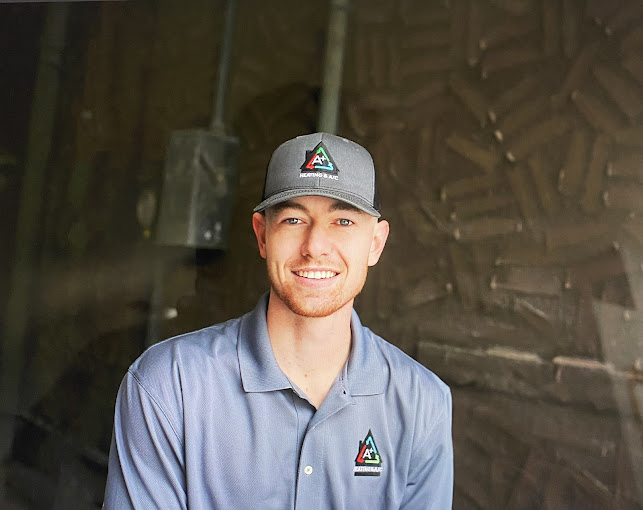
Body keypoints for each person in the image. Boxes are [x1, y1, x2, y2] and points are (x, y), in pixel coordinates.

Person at [103, 132, 453, 509]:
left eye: (343, 221)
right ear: (262, 235)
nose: (315, 245)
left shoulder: (421, 403)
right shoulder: (171, 386)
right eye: (293, 218)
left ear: (376, 243)